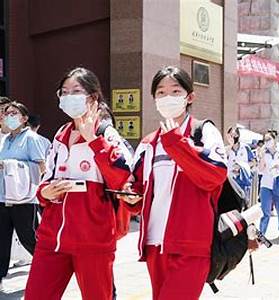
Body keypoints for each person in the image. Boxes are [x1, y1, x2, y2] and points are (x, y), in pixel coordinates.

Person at [118, 66, 227, 300]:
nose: (167, 98)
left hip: (191, 242)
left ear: (190, 97)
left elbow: (214, 177)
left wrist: (176, 144)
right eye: (160, 92)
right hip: (154, 243)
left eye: (175, 91)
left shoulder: (204, 132)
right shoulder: (149, 142)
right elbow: (137, 186)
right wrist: (130, 194)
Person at [24, 67, 133, 300]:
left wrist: (94, 140)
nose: (68, 96)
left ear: (92, 97)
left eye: (76, 91)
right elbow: (46, 180)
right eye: (64, 92)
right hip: (52, 238)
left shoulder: (106, 133)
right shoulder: (61, 135)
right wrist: (46, 192)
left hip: (93, 241)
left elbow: (122, 178)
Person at [0, 101, 45, 292]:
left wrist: (11, 165)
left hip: (24, 199)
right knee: (1, 240)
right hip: (3, 198)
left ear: (24, 118)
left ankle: (46, 270)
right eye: (7, 113)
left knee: (29, 238)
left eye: (14, 113)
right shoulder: (5, 140)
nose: (9, 116)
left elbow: (42, 167)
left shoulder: (31, 139)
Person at [257, 130, 279, 238]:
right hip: (266, 184)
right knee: (266, 211)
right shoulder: (264, 153)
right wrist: (261, 157)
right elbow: (260, 170)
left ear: (275, 140)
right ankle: (262, 233)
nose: (267, 141)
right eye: (265, 140)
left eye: (269, 139)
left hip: (278, 184)